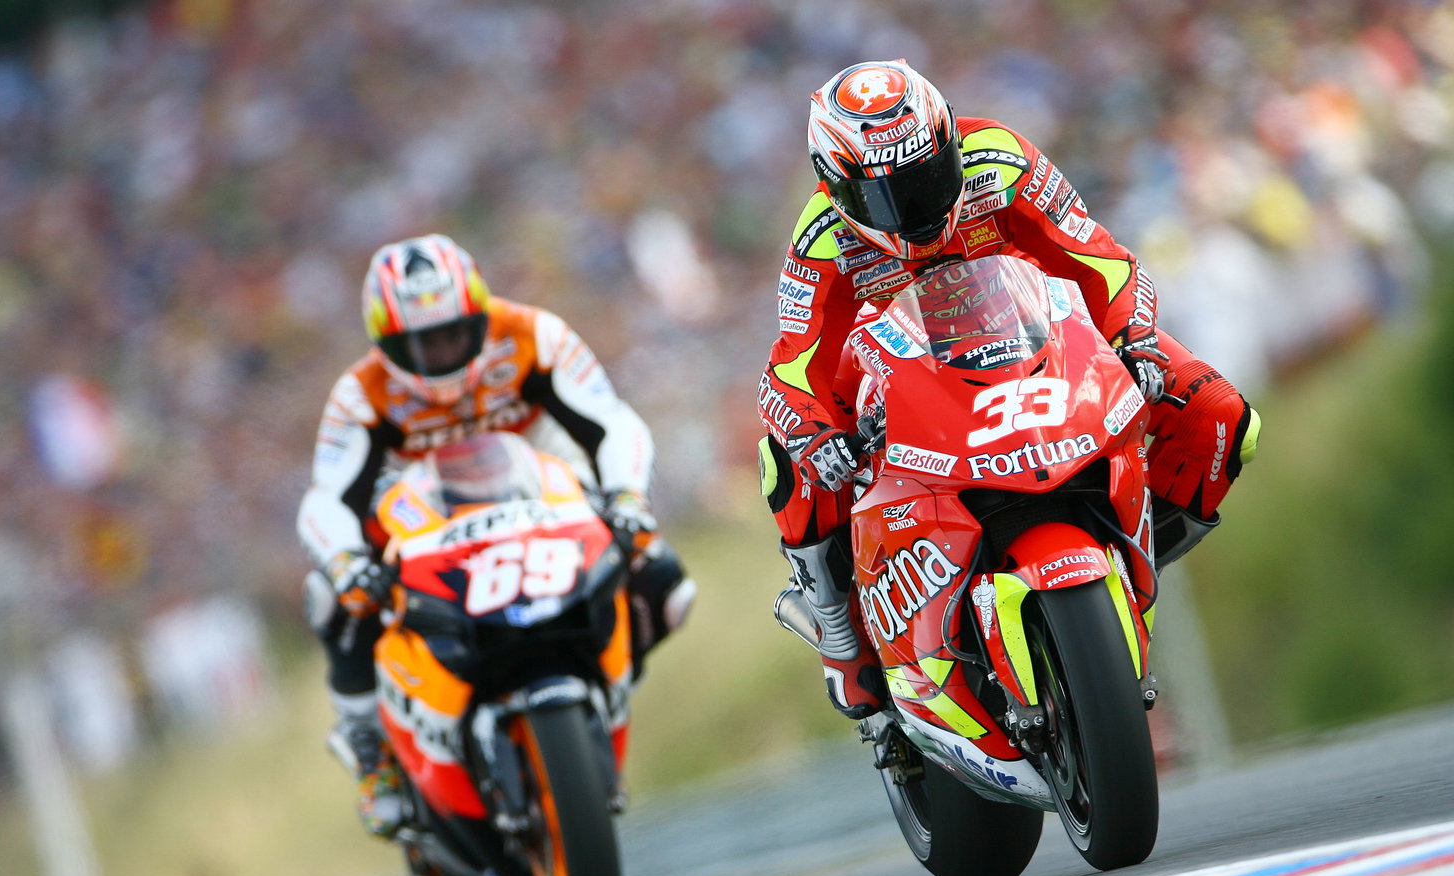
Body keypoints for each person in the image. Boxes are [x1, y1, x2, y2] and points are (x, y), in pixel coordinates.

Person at [757, 60, 1260, 720]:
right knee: (786, 459)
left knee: (1221, 419)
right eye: (886, 196)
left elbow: (1103, 261)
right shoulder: (820, 240)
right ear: (836, 187)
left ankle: (1118, 548)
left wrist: (1134, 339)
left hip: (1035, 344)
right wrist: (817, 434)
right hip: (892, 385)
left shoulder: (1000, 159)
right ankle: (839, 629)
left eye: (927, 176)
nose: (915, 208)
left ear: (947, 145)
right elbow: (788, 373)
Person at [297, 234, 693, 834]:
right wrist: (348, 560)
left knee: (666, 583)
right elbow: (326, 500)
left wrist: (627, 500)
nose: (443, 353)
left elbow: (612, 423)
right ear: (387, 343)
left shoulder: (536, 335)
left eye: (455, 332)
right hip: (418, 510)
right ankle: (371, 749)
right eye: (422, 342)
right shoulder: (361, 394)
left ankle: (599, 694)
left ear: (481, 314)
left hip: (540, 482)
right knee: (334, 598)